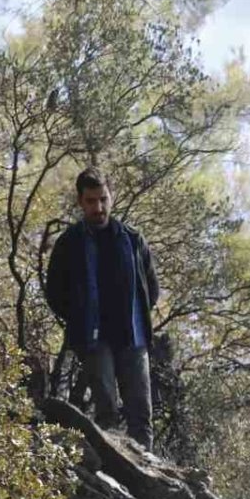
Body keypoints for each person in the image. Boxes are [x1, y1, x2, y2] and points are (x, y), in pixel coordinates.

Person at [45, 168, 160, 451]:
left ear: (111, 198)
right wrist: (79, 317)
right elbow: (54, 293)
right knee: (106, 409)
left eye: (103, 199)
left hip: (133, 336)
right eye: (91, 201)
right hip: (94, 339)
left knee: (140, 412)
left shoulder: (133, 239)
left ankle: (147, 478)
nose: (98, 207)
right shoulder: (69, 242)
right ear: (81, 202)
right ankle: (116, 478)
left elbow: (151, 289)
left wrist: (140, 317)